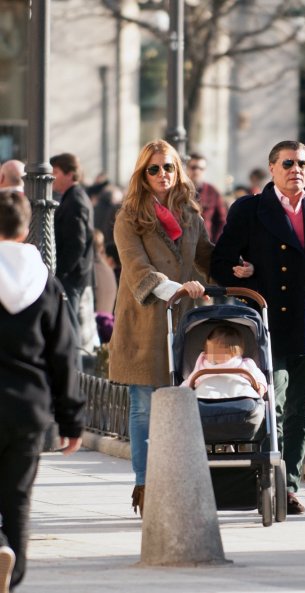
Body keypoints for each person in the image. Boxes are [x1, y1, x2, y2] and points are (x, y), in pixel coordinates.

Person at [211, 140, 305, 515]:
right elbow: (221, 262)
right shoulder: (251, 209)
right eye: (289, 163)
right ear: (272, 168)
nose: (297, 169)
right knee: (271, 403)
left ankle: (289, 486)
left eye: (303, 163)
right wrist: (241, 273)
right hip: (269, 324)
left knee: (301, 410)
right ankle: (267, 481)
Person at [108, 139, 213, 517]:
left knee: (182, 404)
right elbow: (135, 267)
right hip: (144, 319)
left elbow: (206, 257)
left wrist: (238, 269)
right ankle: (144, 483)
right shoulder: (129, 216)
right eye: (153, 169)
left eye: (168, 167)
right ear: (142, 174)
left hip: (182, 320)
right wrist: (176, 288)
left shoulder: (189, 215)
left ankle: (176, 479)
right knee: (142, 407)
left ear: (177, 170)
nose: (162, 175)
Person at [0, 191, 85, 592]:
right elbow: (63, 354)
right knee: (17, 498)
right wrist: (72, 419)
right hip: (29, 410)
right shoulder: (45, 283)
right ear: (26, 228)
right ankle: (11, 574)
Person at [50, 153, 94, 358]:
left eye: (56, 172)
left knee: (70, 326)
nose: (51, 176)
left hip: (71, 276)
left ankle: (75, 377)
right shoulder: (74, 197)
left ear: (70, 174)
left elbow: (77, 243)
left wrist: (61, 272)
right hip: (74, 274)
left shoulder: (75, 199)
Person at [182, 323, 267, 399]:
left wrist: (261, 385)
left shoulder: (244, 364)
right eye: (210, 350)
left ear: (233, 353)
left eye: (219, 351)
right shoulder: (202, 364)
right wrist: (181, 391)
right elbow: (190, 381)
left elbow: (258, 376)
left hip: (239, 397)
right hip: (206, 398)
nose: (212, 354)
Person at [186, 152, 227, 242]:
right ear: (187, 168)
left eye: (201, 168)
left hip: (206, 244)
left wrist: (215, 243)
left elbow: (221, 221)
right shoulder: (179, 191)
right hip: (184, 244)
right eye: (194, 167)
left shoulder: (213, 192)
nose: (197, 171)